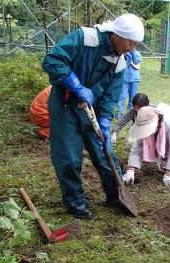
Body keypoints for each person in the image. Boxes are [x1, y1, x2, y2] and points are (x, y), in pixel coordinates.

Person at [42, 14, 144, 219]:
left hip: (93, 111)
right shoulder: (84, 38)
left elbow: (111, 96)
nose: (132, 48)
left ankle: (116, 195)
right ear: (117, 35)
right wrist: (76, 84)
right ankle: (75, 201)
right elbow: (52, 60)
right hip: (66, 105)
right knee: (69, 157)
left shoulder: (121, 63)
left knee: (105, 152)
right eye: (131, 43)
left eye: (136, 44)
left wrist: (105, 122)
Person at [115, 49, 141, 119]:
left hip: (135, 78)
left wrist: (133, 52)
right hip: (124, 78)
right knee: (122, 96)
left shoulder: (137, 53)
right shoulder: (123, 52)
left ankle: (130, 114)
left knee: (133, 98)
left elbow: (136, 61)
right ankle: (119, 113)